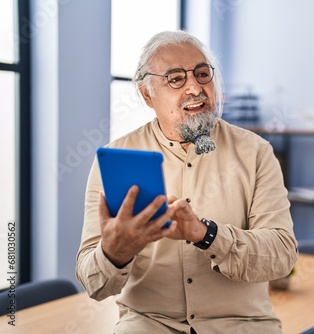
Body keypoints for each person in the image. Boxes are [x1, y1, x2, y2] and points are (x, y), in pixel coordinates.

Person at [76, 30, 298, 334]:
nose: (195, 87)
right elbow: (93, 283)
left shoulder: (255, 152)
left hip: (242, 325)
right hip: (147, 324)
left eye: (202, 74)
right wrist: (114, 252)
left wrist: (207, 235)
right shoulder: (116, 159)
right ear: (146, 94)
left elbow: (282, 256)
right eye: (175, 78)